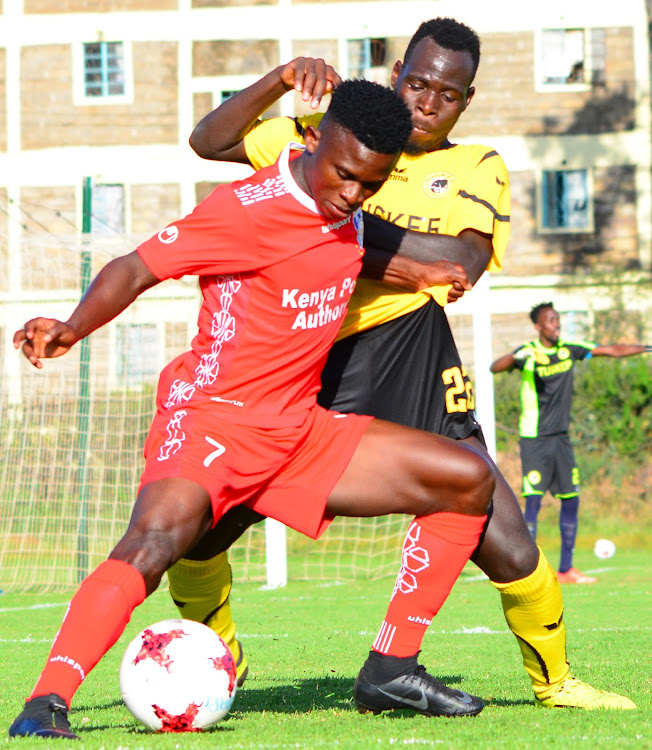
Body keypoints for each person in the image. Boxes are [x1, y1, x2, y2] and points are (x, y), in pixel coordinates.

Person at [9, 80, 499, 741]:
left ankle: (391, 665)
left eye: (371, 185)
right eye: (347, 175)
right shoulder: (243, 209)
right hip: (215, 419)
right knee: (155, 542)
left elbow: (371, 256)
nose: (354, 194)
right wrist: (71, 328)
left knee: (466, 479)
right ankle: (46, 701)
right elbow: (134, 267)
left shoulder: (347, 210)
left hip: (299, 430)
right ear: (313, 139)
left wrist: (428, 274)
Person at [176, 17, 637, 712]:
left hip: (416, 358)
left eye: (446, 94)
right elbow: (208, 141)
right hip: (316, 356)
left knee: (507, 540)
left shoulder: (473, 166)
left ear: (466, 101)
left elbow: (458, 267)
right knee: (204, 526)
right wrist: (279, 80)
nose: (427, 102)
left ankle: (555, 682)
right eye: (417, 83)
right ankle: (221, 655)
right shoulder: (325, 133)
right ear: (396, 77)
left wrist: (327, 214)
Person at [490, 302, 651, 584]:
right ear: (538, 326)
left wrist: (648, 347)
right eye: (551, 321)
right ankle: (527, 571)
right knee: (534, 503)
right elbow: (495, 367)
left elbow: (611, 350)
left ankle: (566, 569)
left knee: (571, 500)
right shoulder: (530, 353)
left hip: (562, 440)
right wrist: (518, 356)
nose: (557, 324)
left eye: (558, 320)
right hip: (535, 439)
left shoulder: (568, 349)